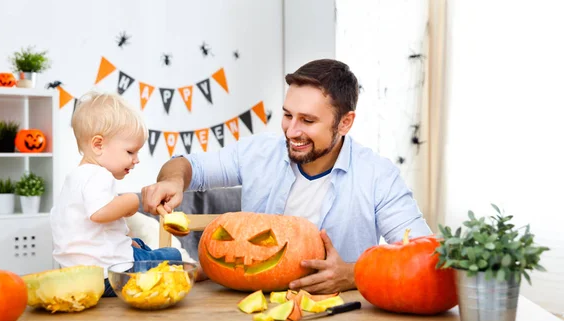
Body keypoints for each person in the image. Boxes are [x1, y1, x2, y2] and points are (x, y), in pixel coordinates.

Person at [141, 59, 432, 294]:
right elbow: (186, 164)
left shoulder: (378, 176)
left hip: (340, 317)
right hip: (247, 310)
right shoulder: (259, 151)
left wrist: (353, 274)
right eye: (287, 115)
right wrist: (173, 181)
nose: (292, 131)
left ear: (345, 123)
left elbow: (423, 257)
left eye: (307, 120)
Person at [51, 91, 187, 297]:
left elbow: (94, 230)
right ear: (98, 145)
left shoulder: (74, 178)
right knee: (173, 255)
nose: (136, 159)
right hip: (109, 275)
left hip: (78, 274)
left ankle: (141, 257)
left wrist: (125, 238)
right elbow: (98, 214)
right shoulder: (99, 175)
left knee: (138, 243)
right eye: (130, 152)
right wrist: (132, 201)